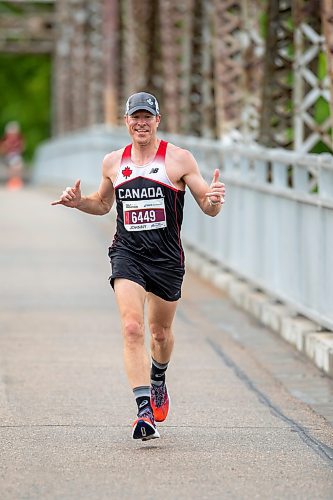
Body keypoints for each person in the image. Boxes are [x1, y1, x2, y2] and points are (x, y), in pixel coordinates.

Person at [52, 92, 225, 441]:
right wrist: (77, 203)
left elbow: (208, 206)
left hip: (166, 259)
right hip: (127, 253)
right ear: (127, 122)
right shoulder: (113, 162)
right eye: (135, 117)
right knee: (132, 328)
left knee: (159, 334)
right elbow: (102, 205)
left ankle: (158, 377)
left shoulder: (178, 160)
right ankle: (144, 412)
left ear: (157, 120)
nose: (141, 123)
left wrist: (214, 200)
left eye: (148, 117)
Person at [0, 121, 24, 190]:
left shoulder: (19, 139)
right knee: (13, 169)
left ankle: (16, 181)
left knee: (17, 168)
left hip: (15, 156)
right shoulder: (5, 140)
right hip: (8, 157)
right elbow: (2, 150)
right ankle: (12, 182)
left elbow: (22, 148)